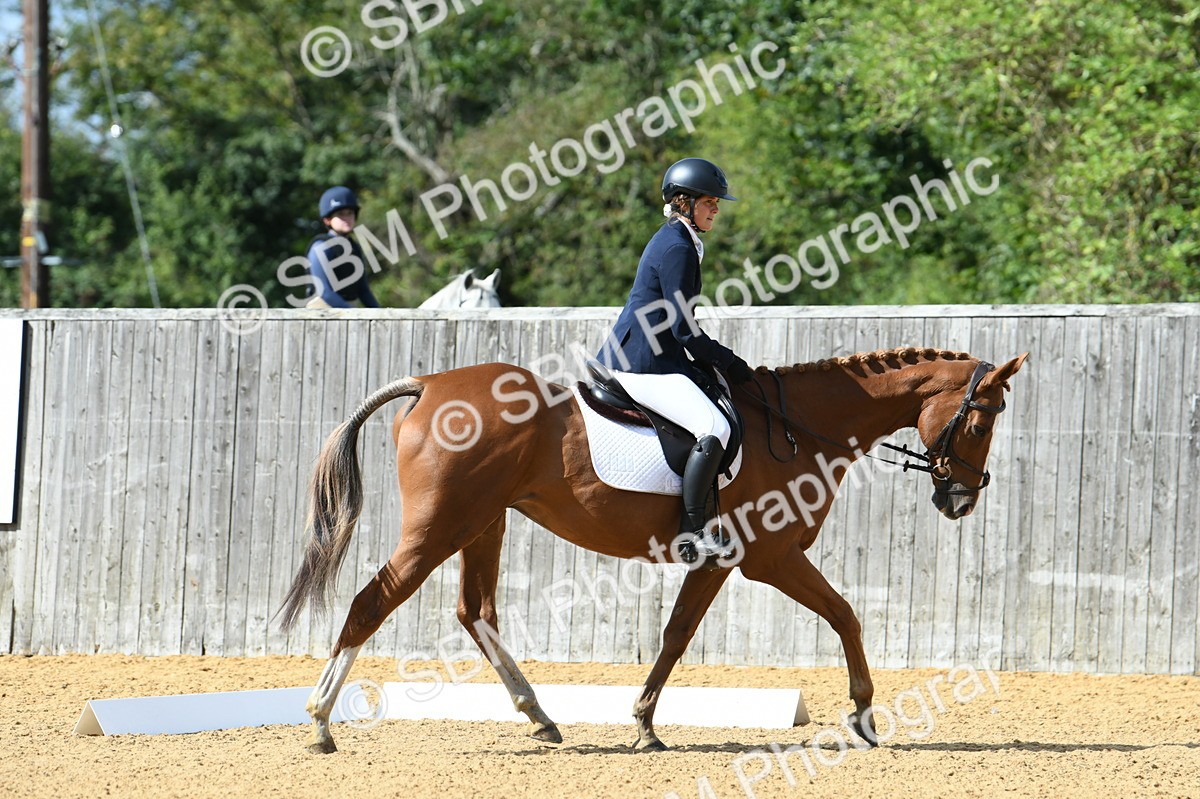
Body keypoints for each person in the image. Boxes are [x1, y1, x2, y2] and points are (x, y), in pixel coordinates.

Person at [596, 157, 755, 566]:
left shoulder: (679, 239)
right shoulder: (678, 247)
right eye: (709, 202)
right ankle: (692, 535)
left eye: (716, 203)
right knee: (715, 427)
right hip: (641, 362)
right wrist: (728, 361)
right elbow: (684, 329)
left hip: (652, 353)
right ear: (685, 202)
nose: (716, 209)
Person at [306, 186, 381, 308]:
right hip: (322, 310)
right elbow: (325, 293)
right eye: (340, 214)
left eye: (350, 213)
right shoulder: (321, 247)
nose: (346, 218)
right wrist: (352, 314)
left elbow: (363, 291)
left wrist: (379, 314)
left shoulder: (354, 247)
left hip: (348, 308)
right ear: (327, 220)